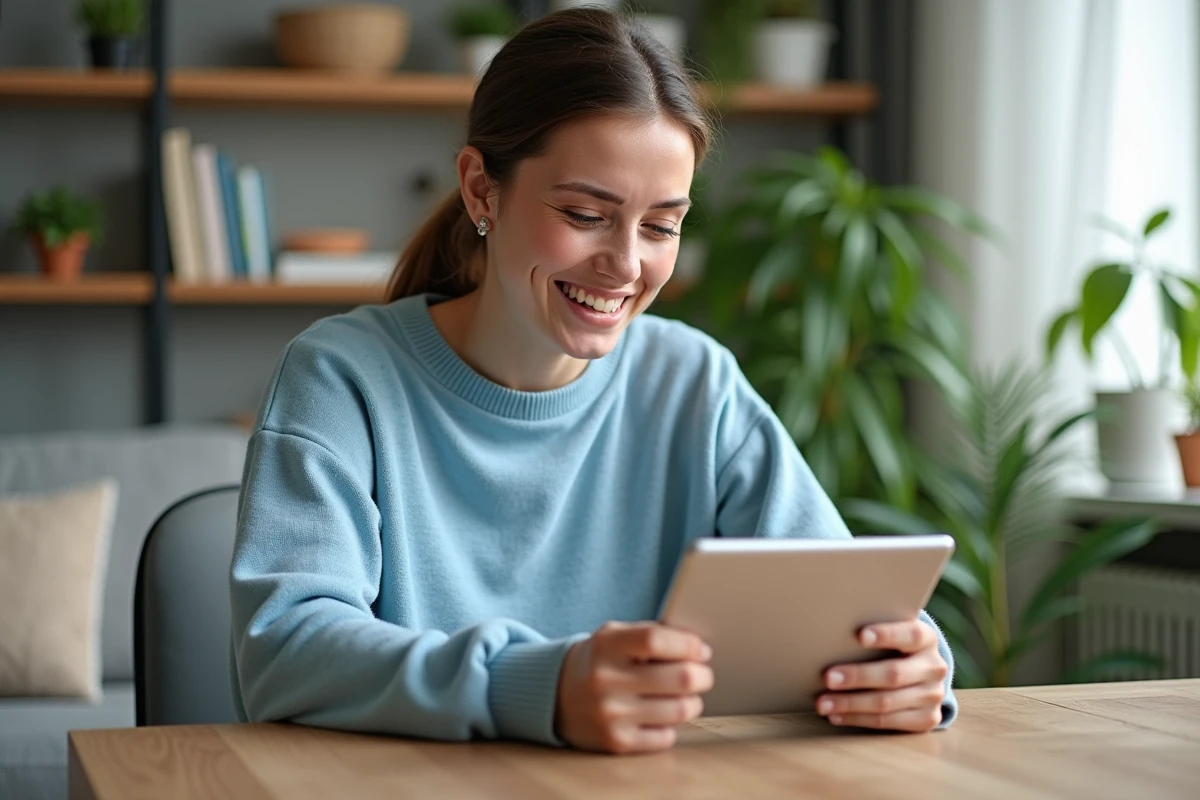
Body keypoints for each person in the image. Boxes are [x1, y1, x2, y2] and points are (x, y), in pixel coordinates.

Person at [229, 8, 956, 755]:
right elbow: (285, 650)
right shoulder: (341, 378)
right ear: (481, 190)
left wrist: (905, 665)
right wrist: (535, 686)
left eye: (662, 226)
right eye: (584, 214)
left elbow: (837, 599)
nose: (626, 264)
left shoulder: (695, 383)